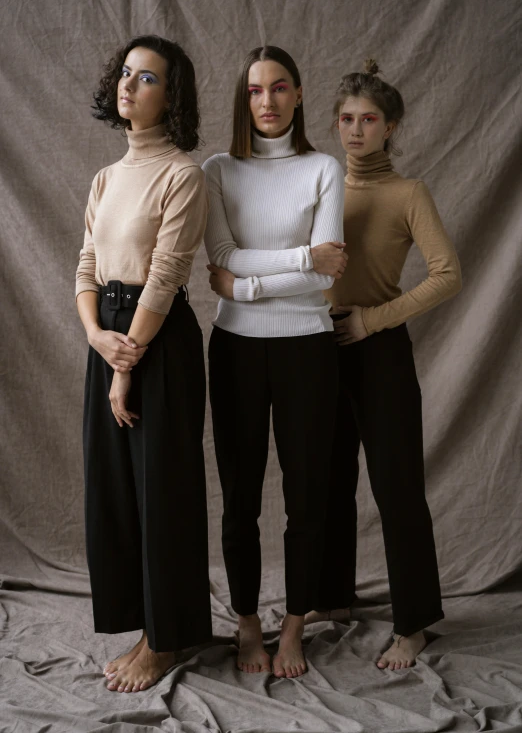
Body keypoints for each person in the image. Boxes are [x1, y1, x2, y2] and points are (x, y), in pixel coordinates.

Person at [305, 59, 462, 670]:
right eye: (346, 119)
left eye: (369, 120)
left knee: (396, 488)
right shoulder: (322, 183)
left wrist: (372, 320)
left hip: (380, 350)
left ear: (391, 126)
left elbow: (448, 275)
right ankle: (333, 599)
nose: (355, 131)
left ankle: (415, 622)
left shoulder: (408, 193)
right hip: (319, 348)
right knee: (327, 481)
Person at [203, 45, 346, 679]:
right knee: (238, 499)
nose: (268, 101)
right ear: (244, 98)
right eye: (257, 90)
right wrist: (298, 263)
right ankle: (248, 626)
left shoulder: (323, 168)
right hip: (235, 347)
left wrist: (249, 282)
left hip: (309, 348)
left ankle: (293, 628)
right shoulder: (217, 170)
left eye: (280, 88)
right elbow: (221, 259)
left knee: (306, 498)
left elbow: (329, 259)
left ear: (298, 95)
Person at [75, 34, 212, 693]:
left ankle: (167, 640)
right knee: (119, 493)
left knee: (164, 492)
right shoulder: (105, 177)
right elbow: (86, 268)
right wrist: (97, 340)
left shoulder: (182, 174)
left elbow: (163, 278)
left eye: (147, 77)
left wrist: (126, 364)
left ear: (171, 94)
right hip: (109, 337)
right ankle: (149, 627)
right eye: (125, 73)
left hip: (159, 343)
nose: (129, 85)